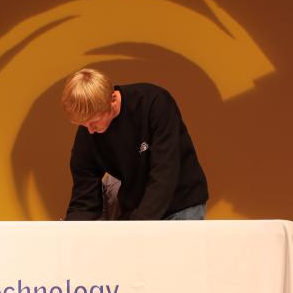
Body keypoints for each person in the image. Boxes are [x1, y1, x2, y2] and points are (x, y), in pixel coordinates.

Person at [62, 68, 208, 220]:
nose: (90, 130)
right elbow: (84, 198)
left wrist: (138, 226)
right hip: (136, 210)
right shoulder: (88, 132)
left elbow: (165, 172)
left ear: (112, 100)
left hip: (180, 204)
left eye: (94, 121)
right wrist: (72, 231)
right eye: (83, 124)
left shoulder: (154, 103)